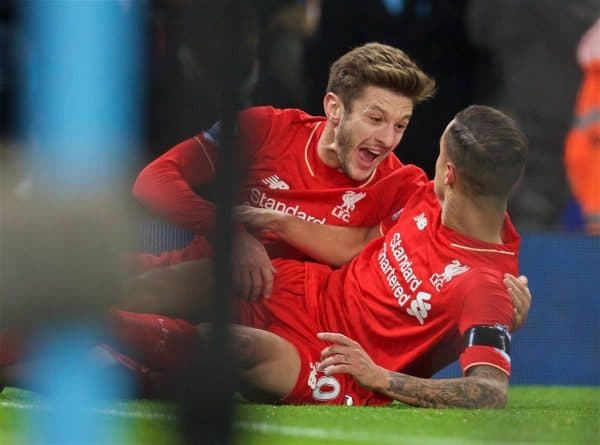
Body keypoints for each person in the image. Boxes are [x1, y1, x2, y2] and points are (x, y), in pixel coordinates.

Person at [113, 104, 530, 408]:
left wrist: (379, 377)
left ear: (450, 174)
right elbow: (362, 239)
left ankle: (78, 328)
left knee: (232, 346)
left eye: (439, 159)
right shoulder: (425, 198)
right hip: (310, 291)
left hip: (337, 360)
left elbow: (489, 392)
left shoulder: (487, 285)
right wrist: (278, 220)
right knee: (200, 279)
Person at [133, 41, 531, 309]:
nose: (387, 139)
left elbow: (478, 218)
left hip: (276, 332)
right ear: (335, 108)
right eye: (376, 119)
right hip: (182, 288)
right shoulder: (264, 129)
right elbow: (153, 181)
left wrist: (504, 297)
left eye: (400, 125)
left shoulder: (401, 188)